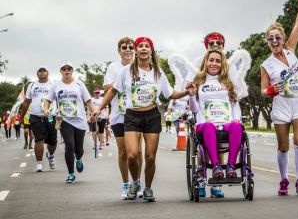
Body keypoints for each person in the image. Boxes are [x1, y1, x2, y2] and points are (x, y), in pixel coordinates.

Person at [93, 37, 190, 202]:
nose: (144, 48)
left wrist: (186, 92)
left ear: (151, 50)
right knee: (132, 154)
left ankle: (148, 188)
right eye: (140, 46)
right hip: (132, 116)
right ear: (136, 51)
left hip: (152, 115)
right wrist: (99, 108)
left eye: (147, 46)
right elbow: (113, 91)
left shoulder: (158, 72)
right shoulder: (126, 71)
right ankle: (136, 182)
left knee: (150, 156)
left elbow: (170, 94)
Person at [260, 0, 298, 195]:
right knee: (283, 147)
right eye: (270, 38)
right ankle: (283, 180)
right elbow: (263, 90)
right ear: (267, 42)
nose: (274, 41)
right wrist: (270, 90)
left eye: (277, 37)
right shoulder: (266, 64)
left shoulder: (290, 50)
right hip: (280, 105)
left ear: (282, 39)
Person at [188, 49, 243, 193]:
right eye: (211, 60)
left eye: (218, 61)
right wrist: (192, 96)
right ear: (205, 62)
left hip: (225, 122)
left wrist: (236, 119)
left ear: (222, 64)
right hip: (205, 124)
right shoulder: (198, 82)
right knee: (208, 126)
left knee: (237, 126)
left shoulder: (227, 83)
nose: (214, 63)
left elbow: (235, 105)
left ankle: (231, 166)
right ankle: (216, 167)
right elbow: (194, 109)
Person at [102, 37, 144, 199]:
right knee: (123, 152)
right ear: (119, 50)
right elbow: (107, 88)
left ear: (134, 50)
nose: (128, 50)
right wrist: (122, 82)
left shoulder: (141, 65)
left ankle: (137, 183)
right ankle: (126, 185)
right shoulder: (113, 67)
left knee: (137, 150)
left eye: (130, 47)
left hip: (137, 114)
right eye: (124, 47)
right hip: (118, 115)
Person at [44, 61, 95, 183]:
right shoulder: (56, 85)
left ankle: (78, 159)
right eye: (64, 68)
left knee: (79, 149)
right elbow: (47, 100)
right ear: (60, 71)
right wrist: (46, 109)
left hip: (80, 119)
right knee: (69, 145)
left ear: (72, 71)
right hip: (64, 119)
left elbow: (88, 100)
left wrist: (93, 112)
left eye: (69, 68)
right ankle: (71, 173)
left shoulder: (79, 84)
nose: (67, 70)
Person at [20, 66, 58, 172]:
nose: (42, 72)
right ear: (37, 73)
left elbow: (59, 99)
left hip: (50, 116)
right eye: (40, 71)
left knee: (52, 141)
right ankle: (39, 163)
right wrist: (21, 117)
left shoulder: (54, 84)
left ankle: (50, 155)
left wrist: (60, 113)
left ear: (48, 73)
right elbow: (27, 102)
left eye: (44, 70)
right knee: (39, 140)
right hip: (36, 116)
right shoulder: (32, 85)